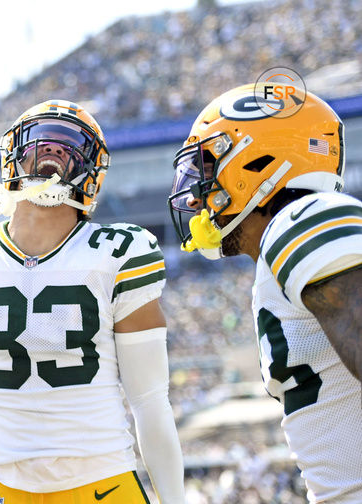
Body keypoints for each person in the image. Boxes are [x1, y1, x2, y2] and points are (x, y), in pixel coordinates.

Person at [0, 100, 186, 504]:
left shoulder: (119, 252)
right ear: (11, 157)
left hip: (102, 482)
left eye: (71, 146)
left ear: (92, 172)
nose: (55, 150)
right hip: (4, 486)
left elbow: (149, 400)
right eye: (41, 141)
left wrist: (174, 500)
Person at [167, 83, 362, 502]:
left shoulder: (301, 218)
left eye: (208, 165)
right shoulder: (283, 246)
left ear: (256, 162)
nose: (196, 189)